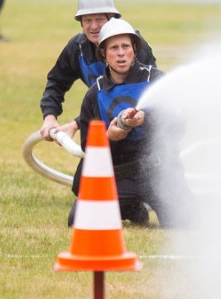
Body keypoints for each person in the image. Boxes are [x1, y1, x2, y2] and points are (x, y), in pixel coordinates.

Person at [70, 18, 192, 228]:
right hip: (121, 175)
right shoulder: (95, 94)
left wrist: (146, 119)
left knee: (186, 222)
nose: (120, 53)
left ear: (134, 49)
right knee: (79, 220)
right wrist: (110, 137)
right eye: (114, 48)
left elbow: (178, 125)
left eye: (126, 46)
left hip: (159, 172)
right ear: (103, 54)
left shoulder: (156, 81)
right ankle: (133, 206)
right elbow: (87, 147)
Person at [39, 0, 157, 143]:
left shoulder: (133, 47)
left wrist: (76, 124)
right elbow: (56, 82)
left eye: (99, 19)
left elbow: (129, 98)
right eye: (87, 20)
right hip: (103, 129)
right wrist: (50, 117)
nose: (93, 26)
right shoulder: (77, 48)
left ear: (111, 18)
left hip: (140, 133)